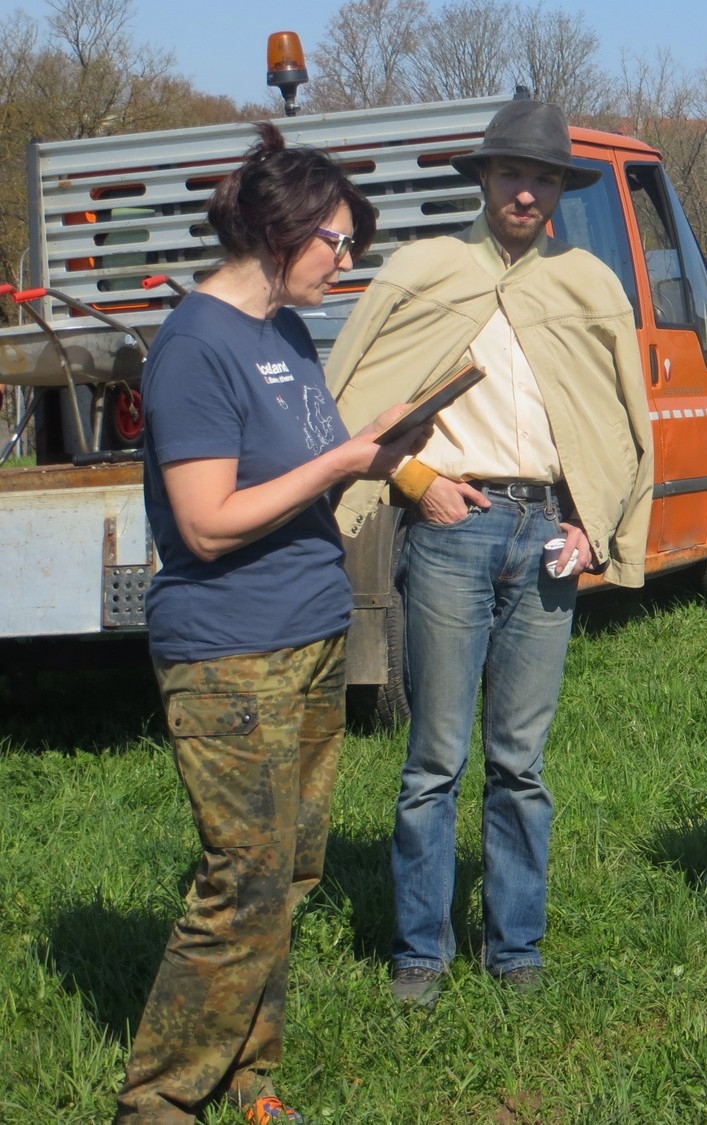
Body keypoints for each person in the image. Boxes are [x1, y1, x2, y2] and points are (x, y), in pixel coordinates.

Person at [117, 124, 425, 1125]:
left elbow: (313, 472)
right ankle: (160, 1101)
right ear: (281, 232)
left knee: (286, 877)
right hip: (230, 654)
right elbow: (206, 525)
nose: (348, 263)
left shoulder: (287, 334)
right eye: (338, 243)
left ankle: (248, 1080)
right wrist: (342, 465)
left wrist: (386, 451)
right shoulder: (195, 348)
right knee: (239, 884)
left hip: (312, 631)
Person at [326, 99, 653, 1006]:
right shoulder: (426, 271)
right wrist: (415, 481)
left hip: (547, 530)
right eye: (513, 172)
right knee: (434, 755)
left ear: (559, 190)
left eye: (544, 177)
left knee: (522, 760)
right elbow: (357, 397)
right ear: (484, 179)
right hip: (450, 526)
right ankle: (419, 951)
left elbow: (624, 425)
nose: (527, 190)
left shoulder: (588, 284)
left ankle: (516, 950)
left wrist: (594, 521)